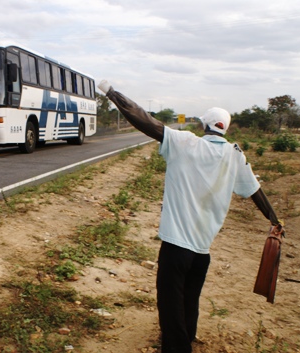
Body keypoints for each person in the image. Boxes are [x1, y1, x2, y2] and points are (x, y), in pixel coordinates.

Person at [97, 80, 285, 353]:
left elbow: (144, 120)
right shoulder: (235, 155)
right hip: (202, 251)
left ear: (203, 125)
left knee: (170, 301)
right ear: (226, 128)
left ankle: (177, 347)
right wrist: (275, 220)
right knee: (190, 297)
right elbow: (256, 192)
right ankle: (189, 336)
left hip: (176, 246)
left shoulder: (185, 142)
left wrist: (112, 93)